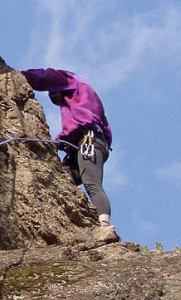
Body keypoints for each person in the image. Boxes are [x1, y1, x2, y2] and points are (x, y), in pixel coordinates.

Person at [21, 68, 119, 242]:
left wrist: (16, 75)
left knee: (91, 182)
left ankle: (104, 226)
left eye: (57, 99)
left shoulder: (70, 80)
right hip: (84, 144)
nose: (60, 103)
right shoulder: (87, 95)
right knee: (59, 181)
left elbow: (44, 77)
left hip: (89, 140)